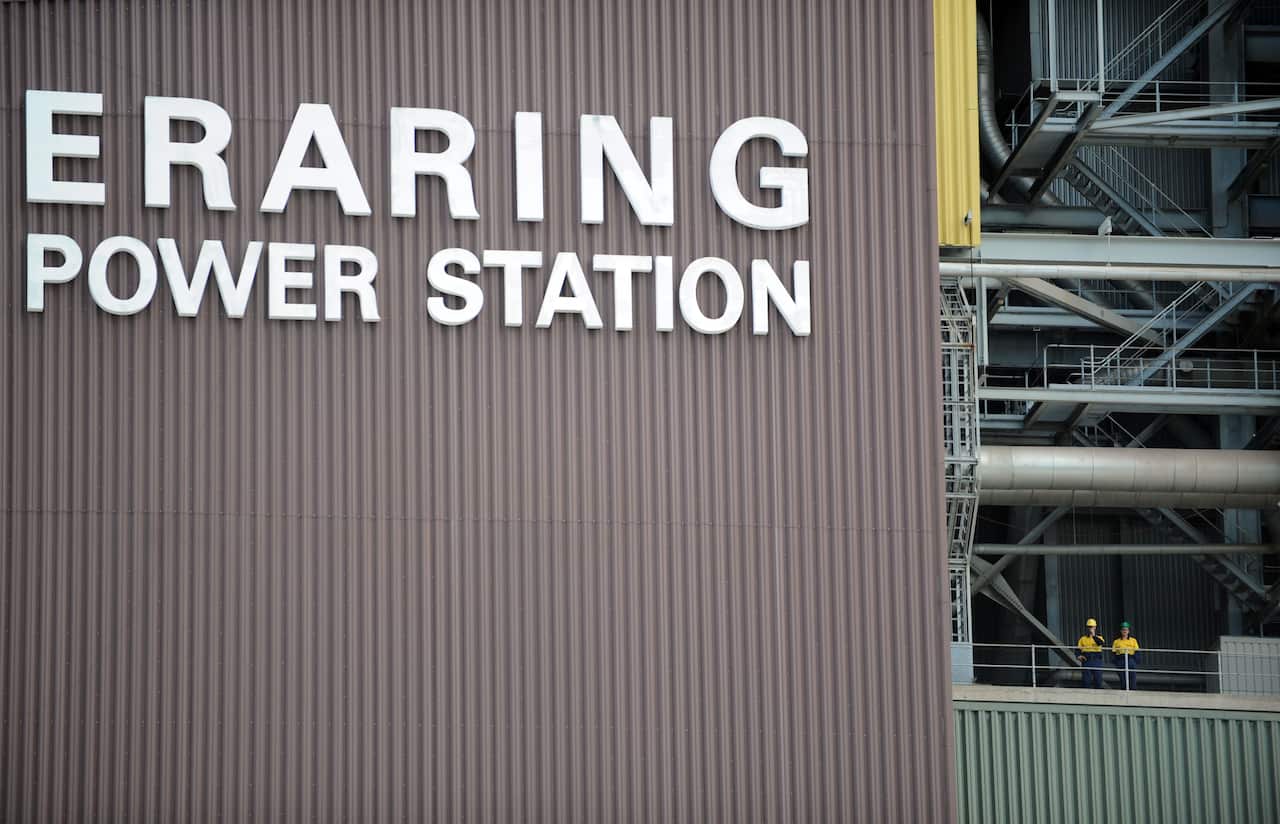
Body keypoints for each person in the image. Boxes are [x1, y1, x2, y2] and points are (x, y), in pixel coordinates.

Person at [1077, 618, 1106, 688]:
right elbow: (1077, 650)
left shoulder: (1099, 637)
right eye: (1089, 627)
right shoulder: (1082, 639)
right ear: (1087, 628)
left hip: (1096, 660)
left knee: (1098, 680)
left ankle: (1098, 696)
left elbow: (1100, 643)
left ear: (1095, 627)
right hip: (1087, 660)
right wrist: (1078, 656)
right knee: (1086, 681)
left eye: (1092, 627)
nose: (1090, 628)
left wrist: (1093, 636)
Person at [1112, 621, 1140, 690]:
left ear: (1128, 631)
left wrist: (1135, 661)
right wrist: (1116, 663)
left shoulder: (1133, 640)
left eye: (1126, 630)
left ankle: (1133, 691)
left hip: (1130, 659)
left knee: (1132, 678)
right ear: (1120, 631)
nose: (1124, 631)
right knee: (1122, 678)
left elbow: (1137, 652)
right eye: (1123, 630)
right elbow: (1113, 653)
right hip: (1121, 660)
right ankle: (1124, 690)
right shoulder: (1116, 641)